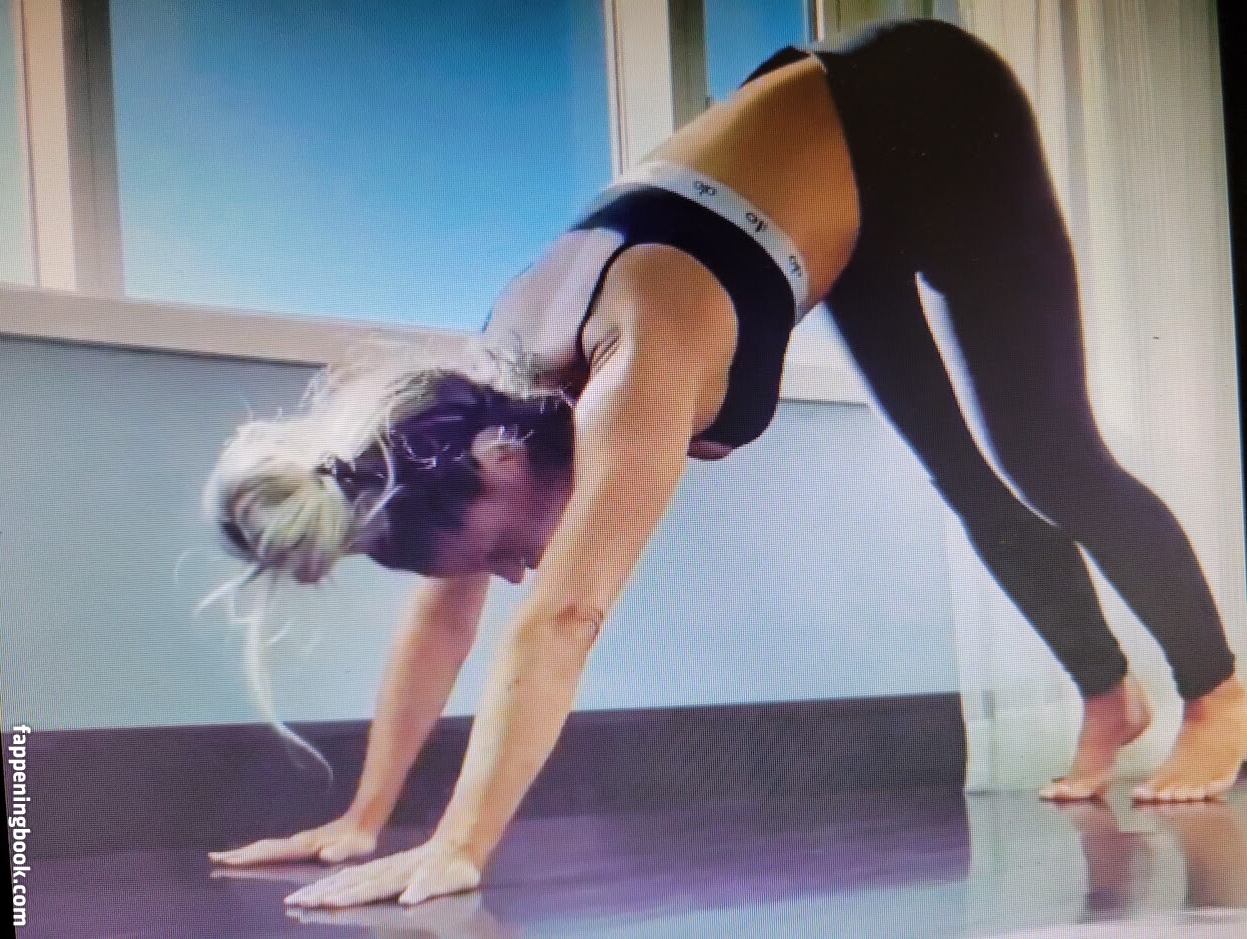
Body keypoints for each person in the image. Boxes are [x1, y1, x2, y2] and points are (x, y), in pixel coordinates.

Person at [203, 19, 1247, 909]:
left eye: (501, 549)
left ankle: (1217, 695)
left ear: (499, 457)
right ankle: (1108, 697)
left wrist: (459, 848)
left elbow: (562, 619)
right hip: (841, 195)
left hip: (928, 113)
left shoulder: (639, 345)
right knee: (959, 475)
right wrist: (364, 817)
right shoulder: (480, 403)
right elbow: (443, 617)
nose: (517, 569)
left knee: (1048, 454)